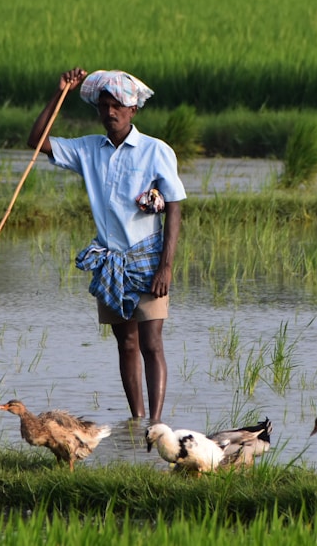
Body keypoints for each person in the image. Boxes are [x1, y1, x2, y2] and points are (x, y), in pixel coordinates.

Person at [28, 68, 185, 422]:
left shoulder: (155, 151)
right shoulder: (88, 150)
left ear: (133, 110)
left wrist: (166, 266)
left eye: (117, 106)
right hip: (110, 261)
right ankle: (136, 420)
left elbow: (174, 206)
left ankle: (155, 425)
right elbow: (37, 140)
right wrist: (60, 93)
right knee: (126, 344)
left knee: (151, 343)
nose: (110, 112)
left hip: (147, 259)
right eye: (104, 106)